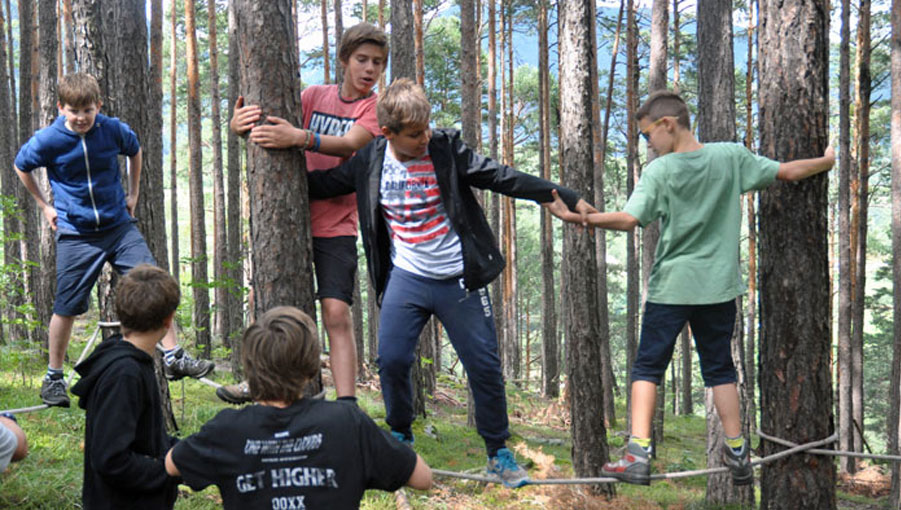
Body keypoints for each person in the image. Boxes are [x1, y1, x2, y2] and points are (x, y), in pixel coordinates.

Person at [306, 78, 595, 488]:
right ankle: (400, 438)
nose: (424, 137)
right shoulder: (370, 159)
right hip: (406, 277)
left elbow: (499, 176)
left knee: (484, 364)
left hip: (459, 279)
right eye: (414, 134)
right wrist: (275, 158)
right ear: (387, 132)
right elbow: (326, 184)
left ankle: (498, 452)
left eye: (426, 127)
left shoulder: (444, 149)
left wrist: (559, 194)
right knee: (392, 360)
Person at [546, 89, 836, 486]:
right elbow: (788, 171)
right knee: (720, 370)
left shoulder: (660, 172)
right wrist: (827, 162)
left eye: (647, 135)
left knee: (647, 368)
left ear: (667, 124)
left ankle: (637, 455)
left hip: (672, 287)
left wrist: (576, 219)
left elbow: (629, 220)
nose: (647, 144)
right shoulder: (731, 157)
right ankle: (738, 451)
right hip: (718, 288)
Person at [14, 72, 214, 408]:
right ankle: (54, 377)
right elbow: (22, 165)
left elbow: (135, 150)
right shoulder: (48, 140)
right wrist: (45, 206)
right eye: (74, 111)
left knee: (154, 282)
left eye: (88, 110)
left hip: (118, 227)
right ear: (61, 108)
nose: (81, 118)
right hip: (76, 234)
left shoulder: (111, 130)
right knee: (66, 306)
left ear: (98, 106)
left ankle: (174, 356)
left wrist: (133, 194)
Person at [221, 22, 388, 404]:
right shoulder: (313, 95)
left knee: (336, 312)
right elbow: (271, 128)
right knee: (268, 303)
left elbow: (349, 143)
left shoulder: (374, 108)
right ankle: (258, 382)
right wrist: (239, 126)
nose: (369, 69)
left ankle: (346, 404)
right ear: (344, 60)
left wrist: (302, 137)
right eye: (362, 59)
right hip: (288, 218)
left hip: (337, 226)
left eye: (377, 62)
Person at [165, 306, 431, 509]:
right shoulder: (347, 422)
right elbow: (422, 477)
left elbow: (171, 464)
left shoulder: (226, 430)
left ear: (250, 366)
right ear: (311, 366)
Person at [70, 264, 182, 509]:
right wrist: (168, 470)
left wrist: (189, 452)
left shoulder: (131, 362)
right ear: (168, 319)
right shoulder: (124, 374)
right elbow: (111, 459)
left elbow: (143, 439)